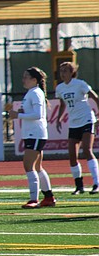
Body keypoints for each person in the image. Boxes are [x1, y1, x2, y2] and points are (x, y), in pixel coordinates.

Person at [9, 66, 56, 209]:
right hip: (33, 133)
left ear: (34, 80)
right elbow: (32, 112)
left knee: (28, 165)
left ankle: (33, 199)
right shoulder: (32, 93)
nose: (23, 79)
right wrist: (20, 112)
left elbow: (37, 115)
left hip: (35, 133)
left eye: (26, 77)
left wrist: (18, 115)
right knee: (37, 167)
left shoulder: (35, 93)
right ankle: (48, 197)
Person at [54, 62, 99, 195]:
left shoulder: (80, 84)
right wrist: (59, 118)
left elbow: (95, 97)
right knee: (72, 155)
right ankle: (79, 186)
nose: (62, 73)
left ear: (72, 72)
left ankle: (96, 183)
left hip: (86, 119)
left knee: (87, 150)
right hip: (74, 123)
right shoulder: (60, 88)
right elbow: (62, 104)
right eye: (61, 71)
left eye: (65, 71)